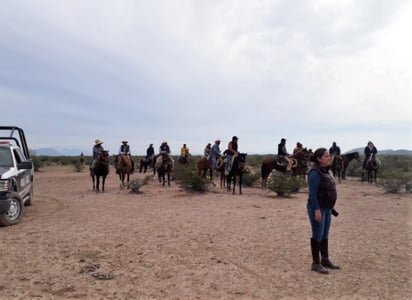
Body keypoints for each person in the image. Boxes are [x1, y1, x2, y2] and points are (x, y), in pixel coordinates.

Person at [307, 148, 340, 274]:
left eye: (329, 156)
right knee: (317, 234)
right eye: (326, 156)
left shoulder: (327, 171)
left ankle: (325, 259)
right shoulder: (315, 173)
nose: (329, 158)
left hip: (327, 208)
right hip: (318, 208)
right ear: (319, 158)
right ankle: (316, 263)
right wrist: (316, 210)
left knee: (325, 234)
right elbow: (312, 194)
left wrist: (331, 206)